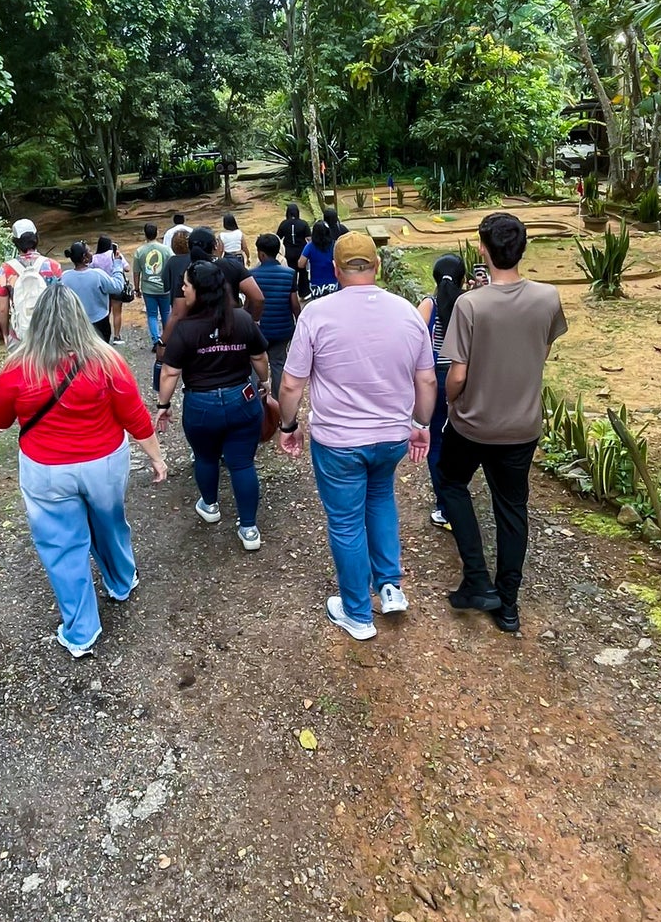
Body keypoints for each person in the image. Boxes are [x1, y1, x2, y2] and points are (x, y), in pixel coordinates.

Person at [0, 282, 166, 659]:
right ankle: (121, 580)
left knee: (62, 547)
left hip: (46, 470)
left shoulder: (18, 368)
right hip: (103, 463)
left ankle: (81, 631)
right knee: (110, 521)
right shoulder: (106, 361)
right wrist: (156, 456)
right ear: (79, 316)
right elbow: (133, 414)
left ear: (37, 323)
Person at [277, 233, 436, 641]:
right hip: (391, 437)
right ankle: (390, 587)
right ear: (377, 266)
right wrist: (420, 424)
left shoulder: (316, 314)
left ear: (334, 268)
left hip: (340, 441)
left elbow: (292, 384)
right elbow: (426, 378)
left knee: (346, 522)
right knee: (382, 499)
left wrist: (288, 426)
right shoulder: (406, 313)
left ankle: (357, 613)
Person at [437, 211, 568, 636]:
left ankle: (477, 577)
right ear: (522, 249)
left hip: (473, 424)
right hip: (522, 426)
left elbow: (457, 374)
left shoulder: (470, 304)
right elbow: (539, 351)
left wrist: (450, 401)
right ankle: (508, 605)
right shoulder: (548, 298)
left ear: (482, 248)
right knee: (512, 509)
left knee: (451, 482)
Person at [157, 259, 270, 552]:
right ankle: (249, 529)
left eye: (186, 285)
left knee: (205, 458)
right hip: (241, 399)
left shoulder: (185, 328)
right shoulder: (242, 320)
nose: (182, 289)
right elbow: (259, 357)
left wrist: (163, 404)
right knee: (242, 463)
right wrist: (265, 382)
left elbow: (170, 371)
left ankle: (210, 505)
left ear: (199, 291)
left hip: (201, 404)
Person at [418, 253, 466, 529]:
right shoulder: (469, 302)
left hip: (436, 378)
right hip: (465, 376)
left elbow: (412, 337)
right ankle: (459, 494)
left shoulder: (429, 304)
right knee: (462, 437)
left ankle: (445, 505)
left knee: (435, 440)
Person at [0, 218, 63, 346]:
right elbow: (60, 302)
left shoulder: (5, 270)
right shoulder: (53, 266)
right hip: (49, 333)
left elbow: (3, 309)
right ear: (36, 238)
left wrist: (5, 334)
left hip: (20, 334)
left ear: (15, 242)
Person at [249, 232, 300, 387]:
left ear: (261, 254)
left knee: (256, 362)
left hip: (259, 329)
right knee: (278, 363)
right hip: (283, 328)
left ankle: (258, 400)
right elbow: (294, 304)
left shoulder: (252, 275)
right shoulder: (290, 274)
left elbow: (250, 303)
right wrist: (299, 322)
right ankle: (278, 404)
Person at [61, 241, 125, 341]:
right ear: (84, 257)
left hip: (76, 323)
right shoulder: (98, 275)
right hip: (99, 322)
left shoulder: (65, 277)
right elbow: (117, 287)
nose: (92, 253)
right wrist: (117, 265)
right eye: (89, 251)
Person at [132, 222, 172, 345]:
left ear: (145, 234)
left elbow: (136, 272)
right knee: (166, 313)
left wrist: (137, 288)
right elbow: (172, 266)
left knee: (152, 315)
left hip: (148, 289)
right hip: (165, 287)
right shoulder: (166, 250)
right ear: (157, 233)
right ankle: (167, 339)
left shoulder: (139, 251)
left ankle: (156, 340)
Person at [92, 232, 131, 342]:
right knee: (117, 313)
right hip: (116, 284)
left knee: (104, 313)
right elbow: (127, 268)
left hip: (102, 287)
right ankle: (117, 336)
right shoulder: (114, 254)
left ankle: (103, 335)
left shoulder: (94, 258)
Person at [301, 218, 339, 297]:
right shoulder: (334, 245)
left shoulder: (310, 246)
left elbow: (300, 264)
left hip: (316, 284)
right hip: (333, 282)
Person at [277, 203, 311, 272]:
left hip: (288, 252)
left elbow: (278, 238)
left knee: (290, 273)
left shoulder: (284, 224)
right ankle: (303, 283)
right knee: (303, 273)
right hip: (301, 252)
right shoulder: (303, 224)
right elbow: (309, 239)